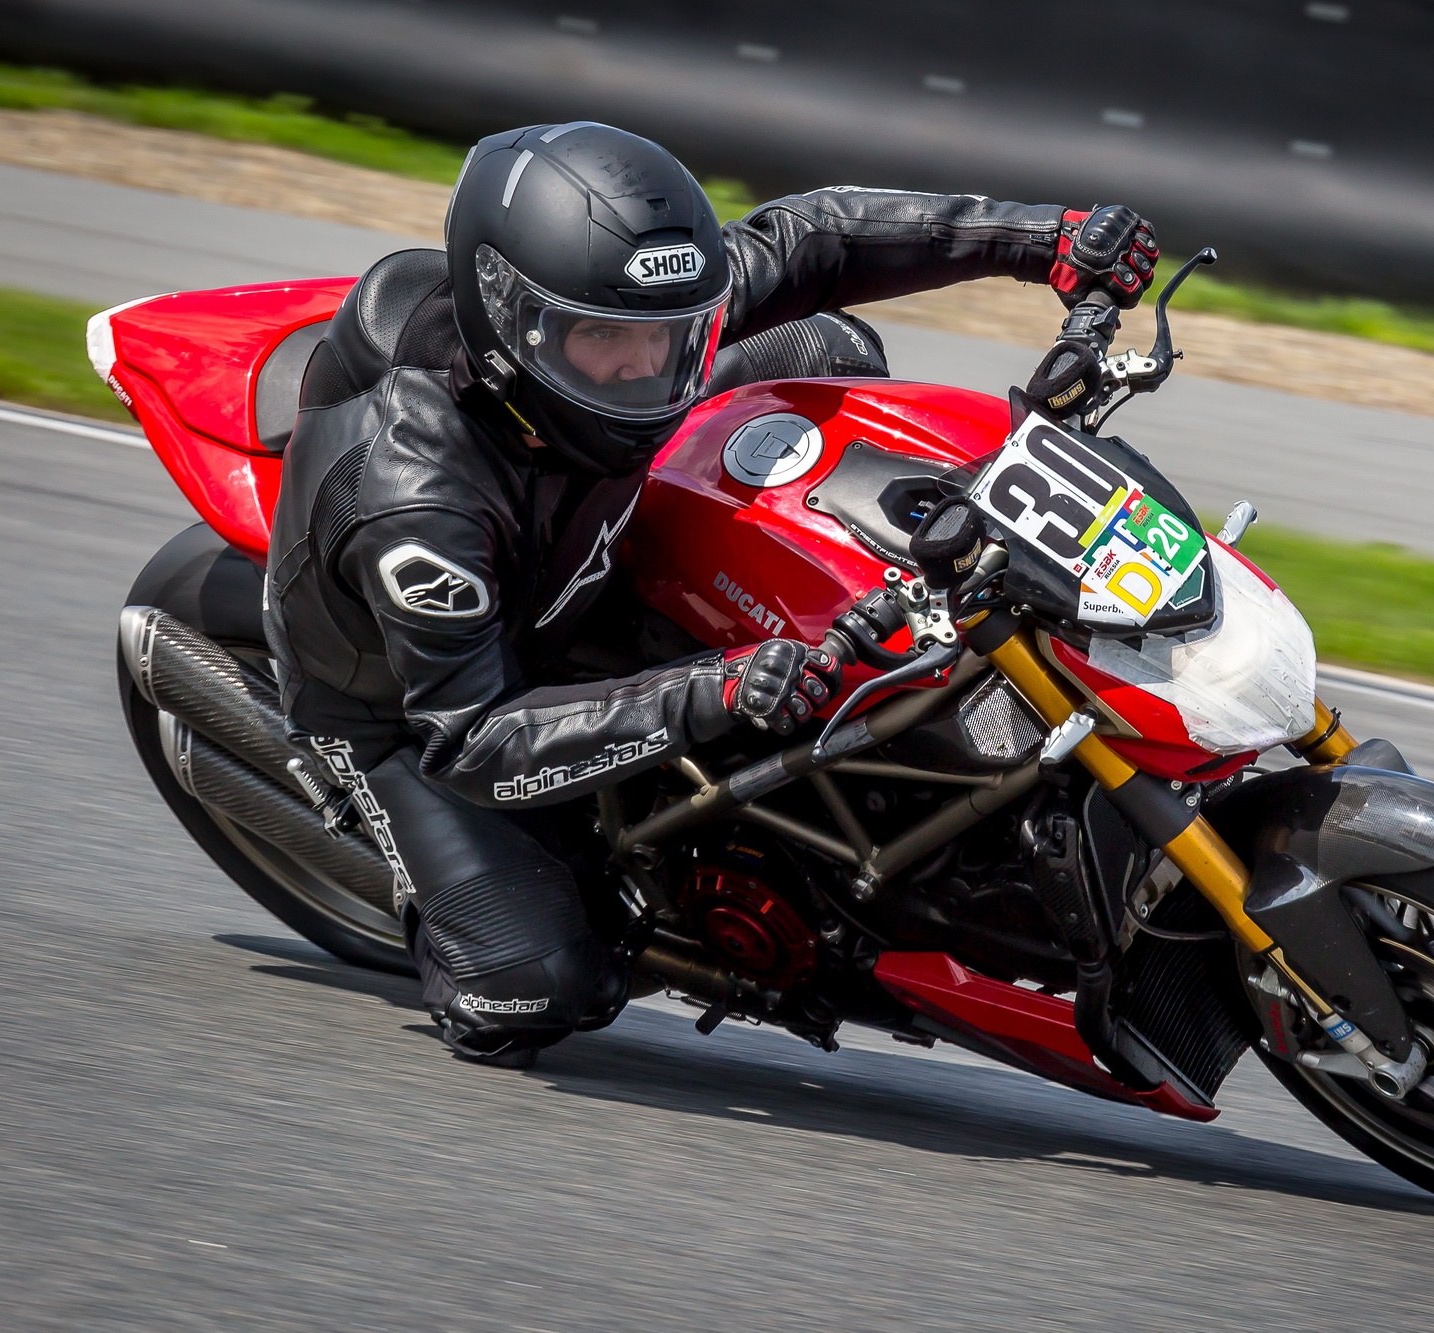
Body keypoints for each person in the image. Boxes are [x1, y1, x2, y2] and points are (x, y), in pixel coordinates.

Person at [262, 120, 1160, 1067]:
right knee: (543, 982)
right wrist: (716, 689)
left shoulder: (604, 312)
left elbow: (814, 238)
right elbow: (474, 742)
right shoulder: (416, 503)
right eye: (605, 339)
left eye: (668, 335)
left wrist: (1046, 238)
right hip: (414, 711)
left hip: (573, 556)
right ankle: (417, 868)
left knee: (827, 347)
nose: (645, 368)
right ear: (509, 327)